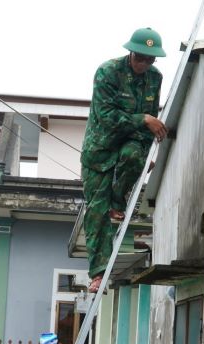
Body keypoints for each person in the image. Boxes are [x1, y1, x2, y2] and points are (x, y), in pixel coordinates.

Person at [81, 27, 169, 293]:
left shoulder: (155, 78)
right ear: (131, 53)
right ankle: (97, 274)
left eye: (150, 60)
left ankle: (118, 201)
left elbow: (151, 127)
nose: (144, 64)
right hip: (100, 150)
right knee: (97, 210)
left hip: (130, 142)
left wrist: (143, 157)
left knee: (133, 156)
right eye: (140, 58)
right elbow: (107, 116)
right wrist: (141, 119)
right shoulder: (107, 73)